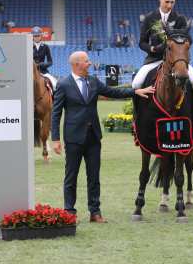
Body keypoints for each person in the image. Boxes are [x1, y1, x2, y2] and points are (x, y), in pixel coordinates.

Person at [51, 51, 155, 222]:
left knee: (94, 177)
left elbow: (113, 92)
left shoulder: (93, 81)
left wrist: (136, 91)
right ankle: (69, 212)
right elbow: (56, 113)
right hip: (73, 138)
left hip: (93, 137)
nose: (90, 64)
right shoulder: (63, 84)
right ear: (76, 64)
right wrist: (55, 139)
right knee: (71, 177)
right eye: (86, 61)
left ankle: (95, 212)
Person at [132, 0, 193, 91]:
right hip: (154, 59)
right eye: (167, 2)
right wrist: (153, 49)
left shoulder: (180, 19)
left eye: (172, 2)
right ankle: (138, 108)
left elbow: (189, 40)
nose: (169, 5)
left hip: (176, 61)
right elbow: (142, 43)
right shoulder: (149, 18)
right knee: (136, 84)